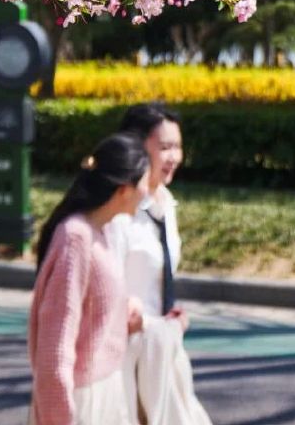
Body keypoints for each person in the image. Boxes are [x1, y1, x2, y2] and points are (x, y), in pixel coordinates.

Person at [29, 132, 151, 425]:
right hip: (81, 402)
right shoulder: (75, 238)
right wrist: (59, 416)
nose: (148, 192)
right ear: (124, 189)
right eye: (145, 182)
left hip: (106, 389)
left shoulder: (101, 231)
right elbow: (55, 345)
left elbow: (92, 307)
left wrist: (125, 309)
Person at [107, 103, 212, 425]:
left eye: (178, 147)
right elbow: (107, 288)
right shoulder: (119, 211)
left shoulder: (166, 204)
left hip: (162, 350)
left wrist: (170, 317)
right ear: (138, 148)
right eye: (164, 147)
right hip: (121, 357)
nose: (174, 157)